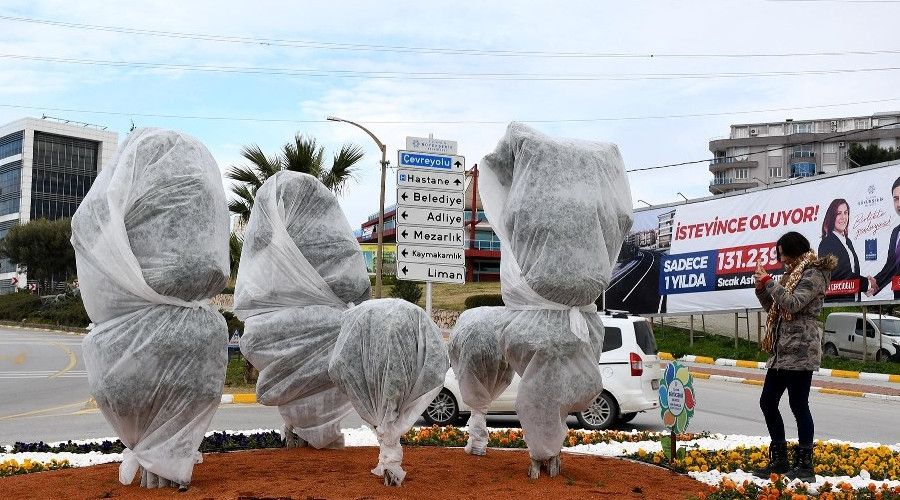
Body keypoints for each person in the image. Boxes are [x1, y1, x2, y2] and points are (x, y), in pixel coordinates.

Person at [753, 231, 836, 481]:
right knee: (768, 402)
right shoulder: (793, 274)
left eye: (782, 254)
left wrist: (770, 282)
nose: (781, 260)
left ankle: (805, 465)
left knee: (798, 405)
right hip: (781, 350)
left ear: (793, 250)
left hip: (801, 348)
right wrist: (761, 289)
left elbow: (793, 303)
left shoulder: (814, 272)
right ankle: (779, 460)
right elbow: (775, 307)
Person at [817, 198, 868, 302]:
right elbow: (837, 274)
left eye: (846, 213)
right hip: (837, 301)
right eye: (839, 213)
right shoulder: (827, 243)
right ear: (832, 217)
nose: (843, 217)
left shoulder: (847, 241)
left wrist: (863, 284)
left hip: (853, 299)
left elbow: (850, 271)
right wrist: (867, 283)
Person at [866, 176, 900, 299]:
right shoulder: (896, 232)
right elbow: (892, 266)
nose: (899, 204)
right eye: (896, 199)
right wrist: (874, 284)